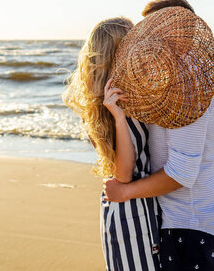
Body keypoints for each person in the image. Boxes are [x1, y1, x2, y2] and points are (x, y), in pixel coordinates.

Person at [104, 2, 214, 271]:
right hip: (194, 221)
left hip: (192, 224)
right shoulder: (174, 83)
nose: (147, 41)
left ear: (181, 32)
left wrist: (125, 192)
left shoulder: (190, 90)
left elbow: (181, 174)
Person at [62, 17, 161, 271]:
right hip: (132, 217)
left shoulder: (133, 95)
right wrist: (118, 118)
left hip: (142, 208)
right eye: (133, 44)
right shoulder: (102, 109)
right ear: (117, 53)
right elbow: (124, 174)